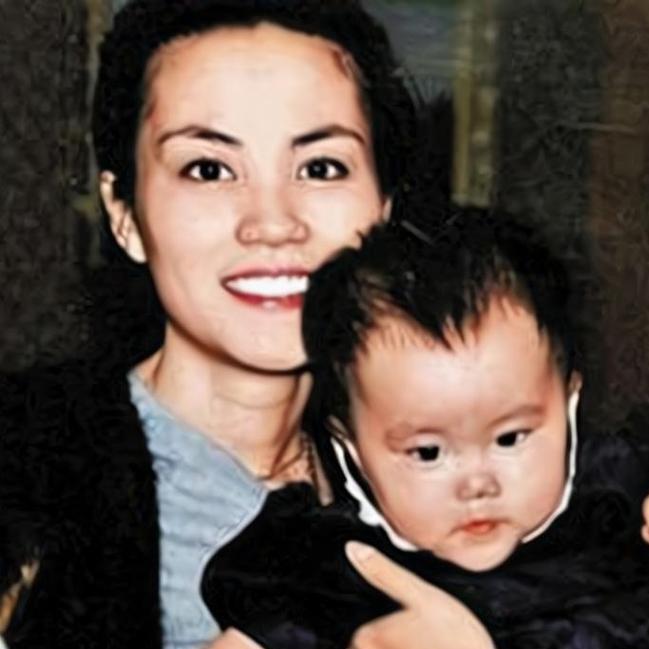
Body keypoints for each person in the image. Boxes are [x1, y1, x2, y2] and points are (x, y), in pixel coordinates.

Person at [0, 1, 418, 647]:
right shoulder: (24, 467)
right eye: (208, 169)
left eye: (320, 167)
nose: (272, 223)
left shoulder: (450, 468)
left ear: (383, 208)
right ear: (124, 213)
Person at [201, 205, 649, 649]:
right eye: (427, 453)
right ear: (353, 450)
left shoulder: (621, 500)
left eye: (511, 439)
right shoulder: (329, 567)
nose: (477, 483)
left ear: (569, 401)